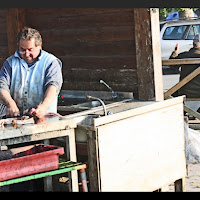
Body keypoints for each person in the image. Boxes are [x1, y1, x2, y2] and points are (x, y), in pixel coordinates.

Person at [0, 27, 63, 119]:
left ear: (39, 46)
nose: (26, 54)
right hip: (14, 118)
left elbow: (53, 86)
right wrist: (11, 104)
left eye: (30, 49)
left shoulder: (50, 62)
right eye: (22, 49)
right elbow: (2, 86)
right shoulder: (10, 63)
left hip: (44, 118)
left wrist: (43, 106)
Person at [169, 34, 200, 98]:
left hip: (184, 92)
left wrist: (175, 52)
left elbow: (172, 65)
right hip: (198, 92)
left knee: (170, 95)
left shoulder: (184, 55)